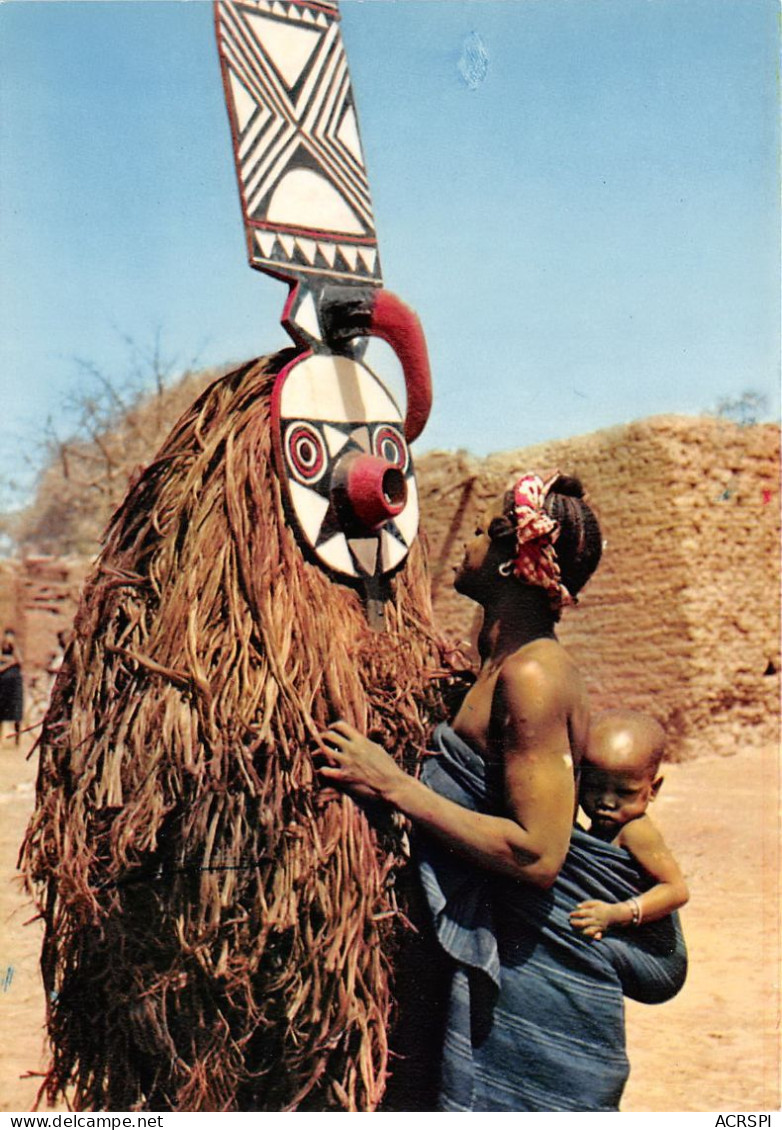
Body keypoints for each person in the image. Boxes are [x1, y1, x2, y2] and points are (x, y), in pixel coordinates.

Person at [569, 709, 689, 941]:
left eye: (624, 792)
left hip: (642, 939)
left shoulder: (635, 831)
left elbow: (676, 890)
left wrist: (616, 914)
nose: (607, 801)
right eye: (594, 787)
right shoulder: (603, 829)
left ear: (653, 789)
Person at [0, 627, 24, 746]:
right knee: (1, 709)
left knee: (16, 711)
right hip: (3, 682)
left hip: (14, 682)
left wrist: (7, 663)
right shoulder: (2, 646)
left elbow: (19, 661)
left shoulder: (15, 648)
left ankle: (17, 740)